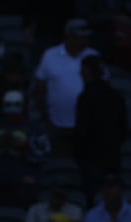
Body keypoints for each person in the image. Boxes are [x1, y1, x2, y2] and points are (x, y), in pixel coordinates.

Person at [33, 19, 100, 158]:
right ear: (69, 37)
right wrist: (47, 119)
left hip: (86, 127)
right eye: (81, 38)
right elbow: (39, 89)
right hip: (57, 126)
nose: (84, 41)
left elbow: (103, 87)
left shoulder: (93, 55)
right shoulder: (50, 55)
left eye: (86, 38)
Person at [74, 55, 128, 202]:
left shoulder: (85, 98)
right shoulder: (116, 97)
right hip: (112, 158)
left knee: (94, 200)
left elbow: (81, 132)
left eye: (82, 70)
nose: (80, 74)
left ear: (88, 71)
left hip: (91, 160)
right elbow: (124, 130)